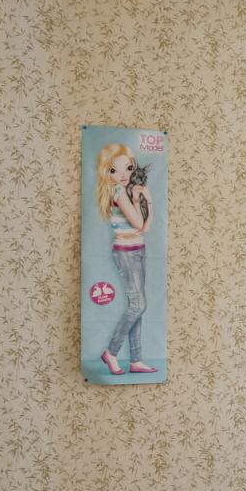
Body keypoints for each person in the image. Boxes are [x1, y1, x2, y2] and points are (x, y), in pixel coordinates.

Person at [94, 143, 157, 375]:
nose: (123, 175)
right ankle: (111, 352)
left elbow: (142, 229)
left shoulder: (125, 191)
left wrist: (139, 199)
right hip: (127, 253)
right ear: (106, 172)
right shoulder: (119, 193)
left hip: (137, 249)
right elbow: (142, 225)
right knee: (139, 305)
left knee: (136, 307)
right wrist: (147, 199)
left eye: (128, 168)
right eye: (114, 170)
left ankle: (136, 360)